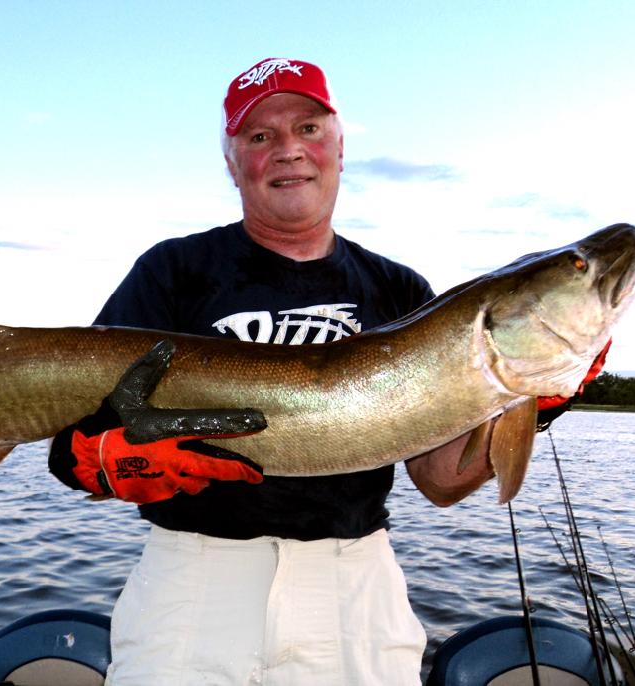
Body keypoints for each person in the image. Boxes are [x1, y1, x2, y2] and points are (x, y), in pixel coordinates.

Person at [48, 57, 588, 685]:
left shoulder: (402, 289)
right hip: (192, 583)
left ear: (338, 147)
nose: (288, 151)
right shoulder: (172, 270)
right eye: (260, 136)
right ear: (232, 163)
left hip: (354, 588)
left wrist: (536, 402)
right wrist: (91, 459)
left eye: (308, 128)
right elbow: (75, 427)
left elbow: (442, 481)